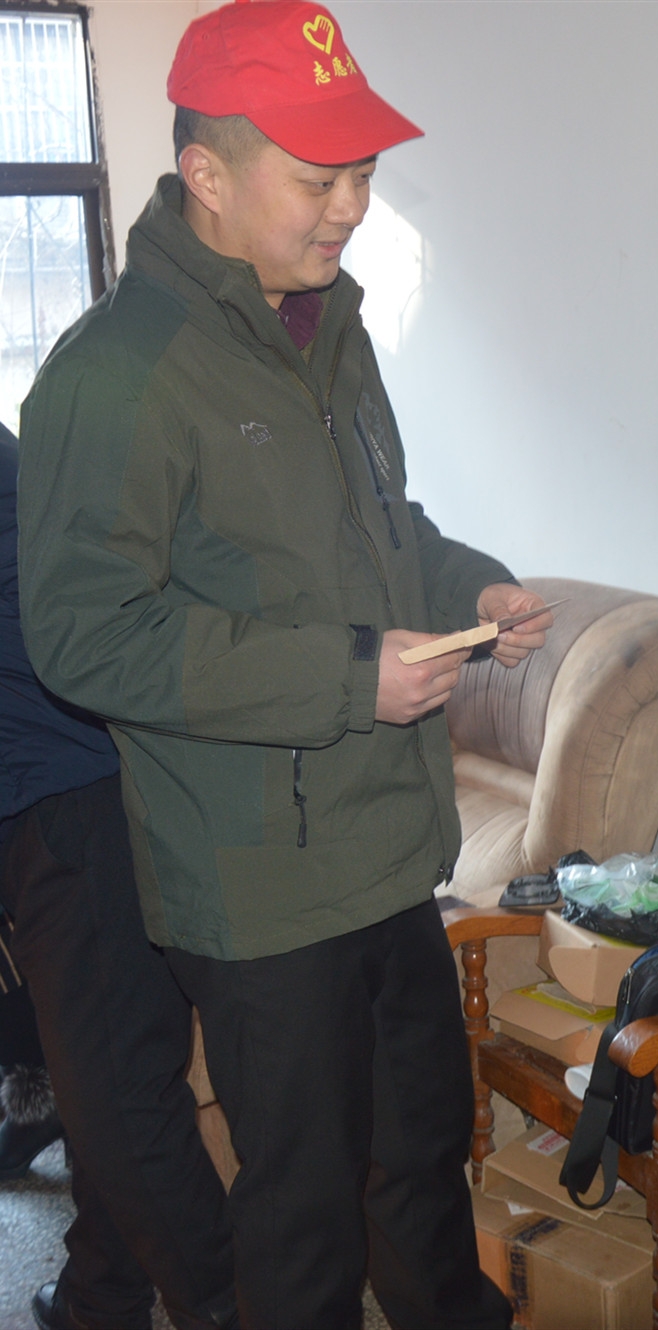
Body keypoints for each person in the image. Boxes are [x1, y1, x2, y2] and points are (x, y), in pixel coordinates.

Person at [18, 4, 546, 1325]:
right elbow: (86, 632)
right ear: (206, 173)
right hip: (257, 884)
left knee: (422, 1171)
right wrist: (346, 678)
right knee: (302, 1225)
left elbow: (382, 526)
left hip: (386, 847)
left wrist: (468, 585)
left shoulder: (330, 328)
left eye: (362, 173)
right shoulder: (115, 376)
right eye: (319, 178)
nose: (350, 206)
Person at [0, 421, 237, 1330]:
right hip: (73, 791)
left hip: (74, 801)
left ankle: (228, 1310)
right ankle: (102, 1292)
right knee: (101, 1074)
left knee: (119, 1098)